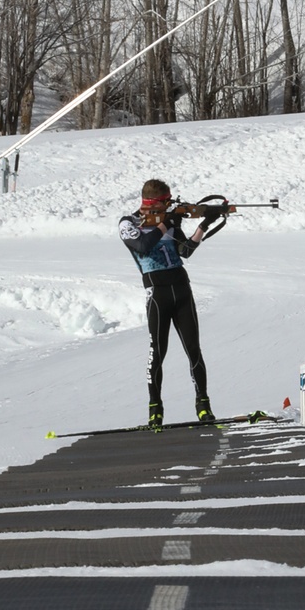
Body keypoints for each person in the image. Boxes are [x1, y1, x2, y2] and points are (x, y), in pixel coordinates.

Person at [119, 178, 215, 430]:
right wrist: (165, 224)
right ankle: (155, 409)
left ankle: (203, 405)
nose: (169, 207)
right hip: (157, 292)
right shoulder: (128, 223)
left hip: (181, 288)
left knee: (194, 349)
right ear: (152, 204)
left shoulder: (168, 223)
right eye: (165, 203)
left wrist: (204, 225)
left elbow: (185, 251)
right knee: (157, 353)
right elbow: (142, 247)